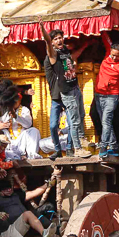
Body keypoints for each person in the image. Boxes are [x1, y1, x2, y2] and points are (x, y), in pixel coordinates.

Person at [40, 24, 87, 157]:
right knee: (53, 126)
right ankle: (57, 150)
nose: (59, 40)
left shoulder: (64, 51)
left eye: (60, 38)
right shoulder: (52, 55)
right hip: (57, 95)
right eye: (55, 39)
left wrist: (85, 46)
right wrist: (43, 31)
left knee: (74, 121)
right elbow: (48, 43)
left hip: (70, 92)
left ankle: (70, 148)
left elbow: (72, 57)